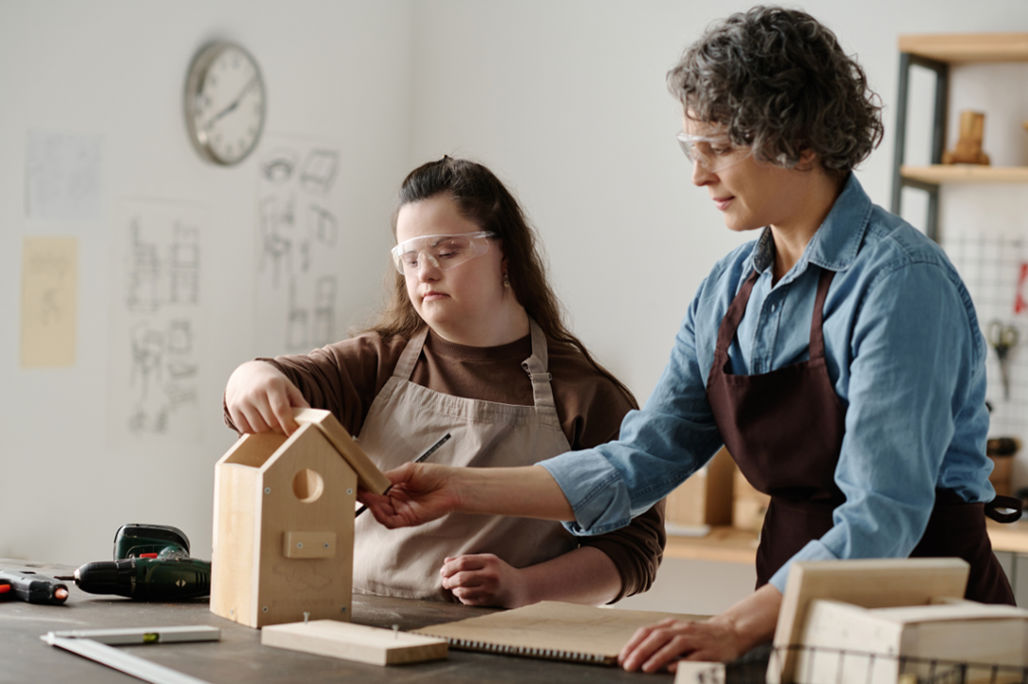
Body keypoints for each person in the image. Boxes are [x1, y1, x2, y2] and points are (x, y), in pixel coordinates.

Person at [358, 5, 1020, 672]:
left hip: (932, 626)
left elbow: (883, 516)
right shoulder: (729, 289)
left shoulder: (899, 284)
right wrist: (459, 487)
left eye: (720, 149)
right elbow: (642, 459)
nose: (698, 175)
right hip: (798, 612)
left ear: (803, 139)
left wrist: (732, 627)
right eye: (691, 150)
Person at [223, 156, 665, 609]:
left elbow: (634, 550)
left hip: (498, 649)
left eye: (447, 251)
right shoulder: (378, 361)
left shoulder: (586, 394)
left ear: (507, 254)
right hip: (352, 625)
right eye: (410, 259)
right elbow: (281, 376)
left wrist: (525, 588)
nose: (425, 272)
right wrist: (250, 378)